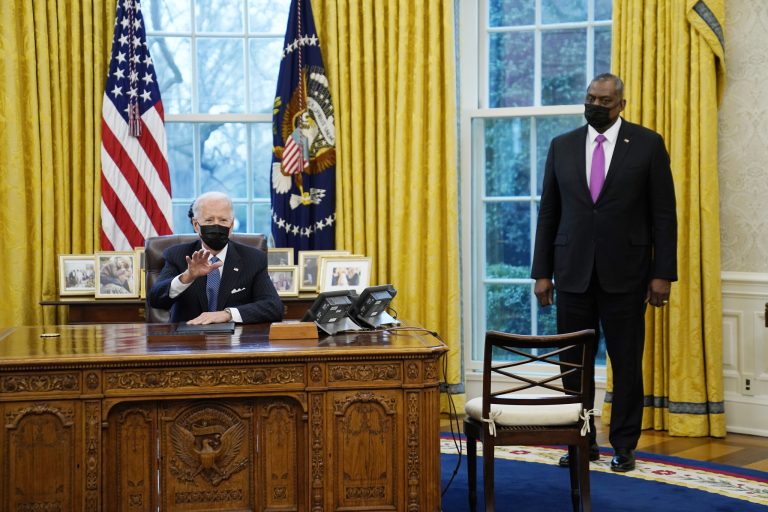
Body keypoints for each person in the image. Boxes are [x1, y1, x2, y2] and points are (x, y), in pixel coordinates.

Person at [531, 73, 677, 473]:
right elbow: (549, 212)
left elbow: (664, 215)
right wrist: (541, 272)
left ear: (621, 105)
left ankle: (624, 446)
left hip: (627, 275)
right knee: (572, 364)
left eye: (604, 101)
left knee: (626, 363)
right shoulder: (561, 146)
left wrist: (662, 273)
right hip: (572, 273)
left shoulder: (647, 144)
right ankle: (581, 441)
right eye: (591, 98)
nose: (595, 105)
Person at [149, 191, 284, 324]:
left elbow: (274, 307)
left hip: (235, 336)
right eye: (209, 220)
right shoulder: (177, 255)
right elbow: (155, 300)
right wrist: (187, 277)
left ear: (231, 225)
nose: (216, 225)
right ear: (196, 225)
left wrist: (227, 314)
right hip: (189, 335)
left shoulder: (253, 259)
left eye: (223, 220)